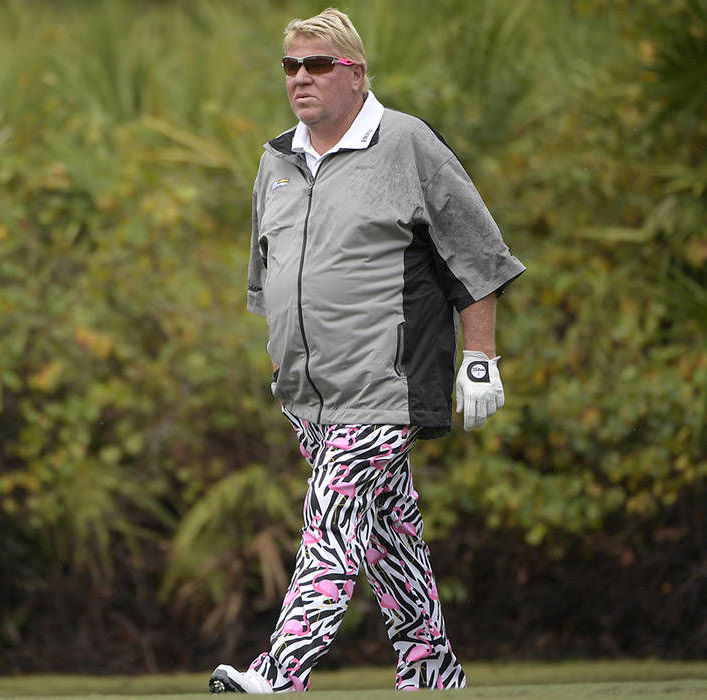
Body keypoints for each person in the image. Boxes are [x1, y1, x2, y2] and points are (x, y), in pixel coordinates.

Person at [208, 7, 525, 694]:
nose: (301, 78)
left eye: (317, 64)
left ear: (355, 73)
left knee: (333, 525)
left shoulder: (406, 143)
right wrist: (282, 371)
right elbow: (271, 280)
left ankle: (279, 673)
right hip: (308, 399)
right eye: (291, 65)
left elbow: (478, 256)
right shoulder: (277, 160)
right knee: (388, 537)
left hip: (386, 385)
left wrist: (480, 359)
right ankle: (433, 670)